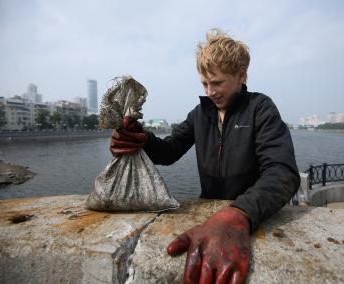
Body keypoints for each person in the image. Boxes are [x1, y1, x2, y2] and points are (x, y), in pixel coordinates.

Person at [110, 29, 300, 284]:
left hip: (249, 213)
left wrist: (238, 213)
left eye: (218, 83)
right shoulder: (200, 115)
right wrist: (141, 139)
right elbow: (170, 150)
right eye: (204, 83)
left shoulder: (260, 109)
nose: (210, 91)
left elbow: (282, 172)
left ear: (241, 75)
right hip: (208, 212)